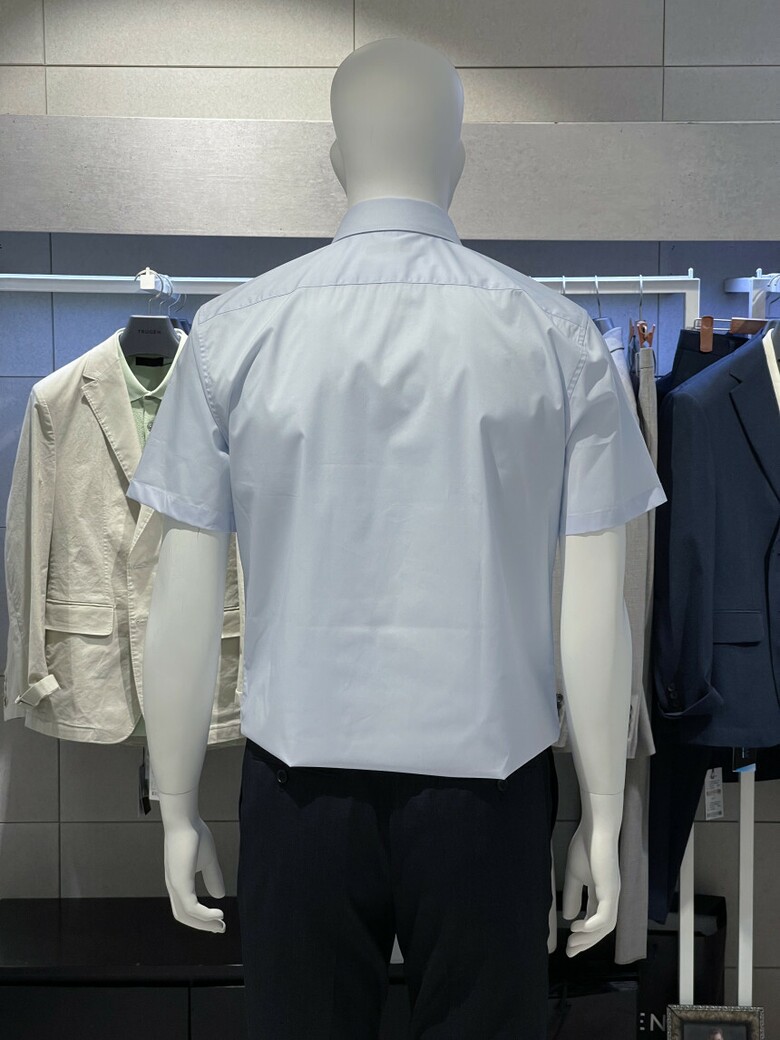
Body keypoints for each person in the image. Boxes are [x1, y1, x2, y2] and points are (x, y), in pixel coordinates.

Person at [126, 36, 665, 1040]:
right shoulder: (559, 340)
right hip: (489, 795)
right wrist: (603, 809)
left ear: (337, 160)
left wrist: (180, 802)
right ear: (458, 157)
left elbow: (180, 596)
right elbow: (596, 600)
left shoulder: (234, 334)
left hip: (296, 791)